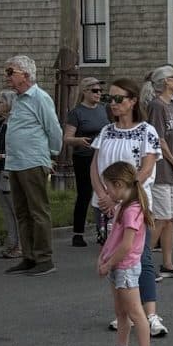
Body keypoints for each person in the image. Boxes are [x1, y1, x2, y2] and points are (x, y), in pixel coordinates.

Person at [92, 79, 167, 338]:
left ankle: (150, 313)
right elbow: (95, 167)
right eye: (109, 99)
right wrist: (103, 195)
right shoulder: (106, 132)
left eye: (118, 99)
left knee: (140, 257)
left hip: (133, 204)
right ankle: (123, 312)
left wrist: (120, 199)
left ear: (133, 100)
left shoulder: (146, 131)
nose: (113, 104)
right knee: (115, 257)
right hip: (106, 203)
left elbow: (145, 169)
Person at [91, 162, 157, 346]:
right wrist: (103, 256)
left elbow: (127, 245)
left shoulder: (132, 210)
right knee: (121, 312)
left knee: (136, 313)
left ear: (119, 185)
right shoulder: (122, 207)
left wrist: (109, 263)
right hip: (116, 267)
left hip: (126, 268)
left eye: (108, 186)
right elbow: (113, 237)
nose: (106, 191)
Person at [2, 55, 64, 276]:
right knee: (22, 210)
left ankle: (44, 257)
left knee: (38, 210)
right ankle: (28, 255)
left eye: (11, 72)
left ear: (25, 76)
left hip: (32, 161)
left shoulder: (39, 97)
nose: (7, 77)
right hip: (16, 162)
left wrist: (51, 155)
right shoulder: (18, 98)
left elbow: (53, 129)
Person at [145, 66, 173, 278]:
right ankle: (142, 262)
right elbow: (159, 139)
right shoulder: (156, 106)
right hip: (162, 169)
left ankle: (168, 264)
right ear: (164, 82)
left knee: (171, 218)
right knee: (161, 218)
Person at [63, 77, 109, 247]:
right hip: (84, 156)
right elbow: (67, 138)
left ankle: (102, 230)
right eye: (94, 91)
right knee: (85, 193)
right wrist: (78, 140)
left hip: (103, 156)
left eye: (100, 91)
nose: (98, 94)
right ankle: (78, 232)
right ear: (85, 92)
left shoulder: (104, 110)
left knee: (104, 192)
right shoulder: (77, 113)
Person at [0, 93, 22, 259]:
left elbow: (19, 151)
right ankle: (11, 243)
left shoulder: (16, 124)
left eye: (0, 102)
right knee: (6, 209)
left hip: (9, 170)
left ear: (10, 105)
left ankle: (20, 245)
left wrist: (0, 156)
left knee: (15, 209)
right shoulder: (1, 123)